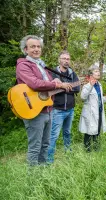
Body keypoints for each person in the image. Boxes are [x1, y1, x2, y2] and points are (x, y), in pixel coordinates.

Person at [16, 35, 72, 166]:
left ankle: (42, 175)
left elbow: (46, 85)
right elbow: (35, 84)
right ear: (25, 50)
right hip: (33, 110)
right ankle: (33, 180)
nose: (36, 49)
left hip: (48, 109)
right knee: (35, 146)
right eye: (32, 46)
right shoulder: (23, 65)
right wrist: (57, 85)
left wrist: (55, 81)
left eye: (38, 46)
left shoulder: (42, 65)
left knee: (45, 144)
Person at [47, 51, 80, 163]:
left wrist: (65, 88)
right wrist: (62, 87)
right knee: (54, 135)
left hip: (70, 109)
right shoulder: (53, 73)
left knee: (67, 133)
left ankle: (68, 154)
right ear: (59, 60)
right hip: (57, 109)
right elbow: (50, 89)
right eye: (64, 58)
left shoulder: (72, 74)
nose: (66, 60)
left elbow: (77, 88)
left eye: (68, 59)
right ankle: (49, 160)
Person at [79, 65, 106, 152]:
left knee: (97, 131)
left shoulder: (99, 85)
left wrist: (105, 99)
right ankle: (87, 151)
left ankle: (97, 150)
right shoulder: (87, 85)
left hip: (99, 112)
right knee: (89, 132)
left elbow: (98, 100)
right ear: (91, 74)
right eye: (96, 71)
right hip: (90, 114)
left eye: (98, 71)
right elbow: (82, 97)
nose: (99, 73)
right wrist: (90, 85)